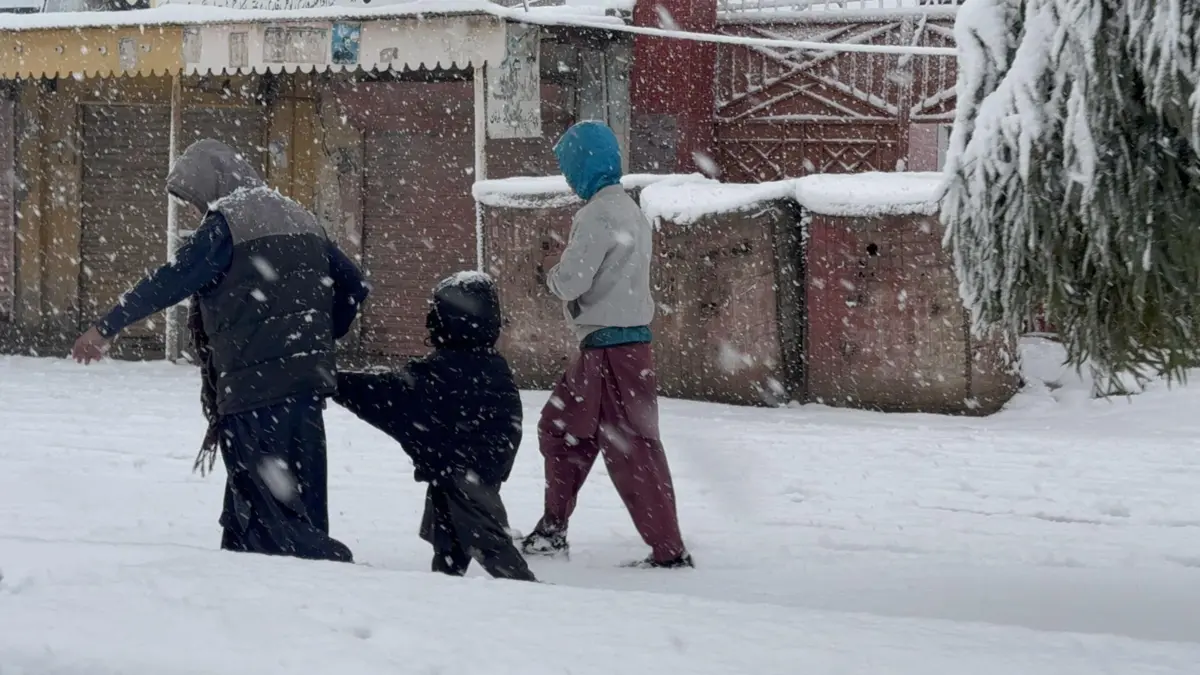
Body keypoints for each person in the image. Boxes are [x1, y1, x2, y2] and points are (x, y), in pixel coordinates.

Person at [72, 139, 368, 563]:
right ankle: (273, 591)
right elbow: (354, 285)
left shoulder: (229, 223)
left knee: (267, 513)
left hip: (254, 384)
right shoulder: (300, 215)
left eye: (195, 200)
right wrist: (321, 333)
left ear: (211, 185)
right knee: (291, 499)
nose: (197, 211)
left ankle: (329, 567)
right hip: (307, 383)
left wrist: (106, 327)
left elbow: (172, 279)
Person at [520, 121, 692, 569]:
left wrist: (553, 277)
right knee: (562, 429)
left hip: (610, 352)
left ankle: (668, 552)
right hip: (614, 346)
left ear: (584, 163)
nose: (567, 177)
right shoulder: (630, 210)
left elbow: (574, 278)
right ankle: (553, 529)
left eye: (568, 166)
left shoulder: (597, 214)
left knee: (630, 447)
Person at [333, 271, 536, 581]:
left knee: (488, 542)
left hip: (461, 470)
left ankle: (531, 596)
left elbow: (389, 396)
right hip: (477, 465)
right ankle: (446, 586)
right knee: (451, 533)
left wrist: (335, 382)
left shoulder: (444, 373)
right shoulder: (490, 365)